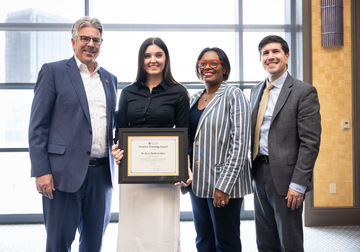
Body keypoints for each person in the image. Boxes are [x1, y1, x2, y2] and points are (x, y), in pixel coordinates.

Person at [28, 16, 117, 252]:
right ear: (73, 41)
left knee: (93, 243)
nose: (90, 44)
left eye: (96, 40)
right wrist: (41, 172)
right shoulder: (53, 72)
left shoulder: (109, 79)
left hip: (101, 176)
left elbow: (110, 127)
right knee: (59, 243)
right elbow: (38, 127)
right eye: (85, 38)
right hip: (62, 175)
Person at [111, 37, 190, 252]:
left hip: (165, 174)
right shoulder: (128, 93)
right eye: (147, 55)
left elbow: (185, 134)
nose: (152, 60)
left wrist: (187, 167)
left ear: (166, 59)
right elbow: (119, 132)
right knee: (132, 232)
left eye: (158, 55)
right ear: (141, 60)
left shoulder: (179, 92)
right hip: (132, 173)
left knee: (162, 230)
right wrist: (116, 151)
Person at [250, 35, 321, 252]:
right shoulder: (255, 91)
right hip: (258, 173)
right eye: (265, 53)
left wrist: (298, 184)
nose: (270, 56)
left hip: (287, 180)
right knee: (264, 241)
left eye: (276, 52)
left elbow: (310, 143)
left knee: (289, 242)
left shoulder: (303, 91)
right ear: (261, 59)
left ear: (287, 56)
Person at [186, 47, 252, 252]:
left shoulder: (234, 95)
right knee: (203, 239)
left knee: (225, 242)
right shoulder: (195, 97)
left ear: (224, 69)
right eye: (202, 64)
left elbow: (240, 144)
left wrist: (224, 186)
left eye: (213, 63)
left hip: (224, 185)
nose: (207, 67)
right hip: (198, 184)